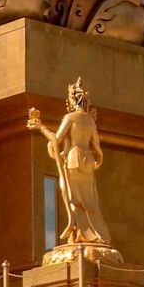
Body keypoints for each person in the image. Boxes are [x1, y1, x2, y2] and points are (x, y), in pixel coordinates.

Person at [27, 77, 111, 246]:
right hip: (88, 162)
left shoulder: (70, 117)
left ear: (72, 100)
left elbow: (55, 139)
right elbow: (96, 146)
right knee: (89, 199)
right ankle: (89, 234)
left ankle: (83, 234)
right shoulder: (90, 121)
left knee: (75, 198)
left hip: (73, 159)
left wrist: (40, 127)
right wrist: (98, 160)